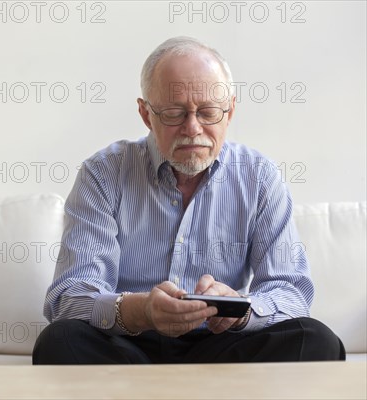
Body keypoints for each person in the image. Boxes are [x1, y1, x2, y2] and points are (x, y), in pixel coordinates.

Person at [32, 36, 345, 364]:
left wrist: (241, 309)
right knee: (60, 340)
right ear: (145, 114)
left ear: (230, 111)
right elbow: (69, 299)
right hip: (130, 345)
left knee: (317, 340)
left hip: (221, 346)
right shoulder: (104, 172)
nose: (193, 128)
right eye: (174, 113)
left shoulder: (260, 176)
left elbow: (292, 293)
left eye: (208, 112)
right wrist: (141, 311)